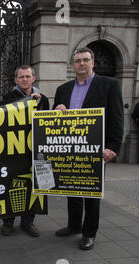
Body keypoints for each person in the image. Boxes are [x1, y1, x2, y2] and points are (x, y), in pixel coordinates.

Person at [53, 47, 124, 250]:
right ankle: (73, 225)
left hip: (96, 149)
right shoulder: (63, 89)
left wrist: (113, 146)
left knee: (91, 192)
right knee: (72, 188)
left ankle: (89, 232)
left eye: (85, 60)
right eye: (77, 61)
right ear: (73, 65)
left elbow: (117, 118)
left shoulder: (110, 85)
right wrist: (57, 110)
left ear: (93, 62)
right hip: (70, 149)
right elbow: (54, 122)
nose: (81, 64)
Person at [0, 65, 49, 238]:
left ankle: (28, 222)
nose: (24, 79)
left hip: (34, 151)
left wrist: (39, 104)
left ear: (33, 78)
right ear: (16, 80)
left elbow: (47, 123)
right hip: (13, 150)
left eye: (27, 76)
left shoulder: (43, 99)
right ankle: (8, 222)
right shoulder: (8, 97)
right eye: (21, 77)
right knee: (11, 184)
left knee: (33, 187)